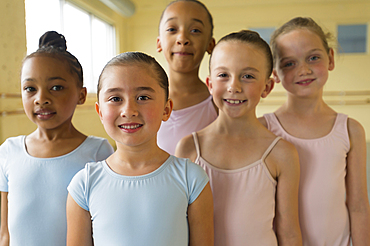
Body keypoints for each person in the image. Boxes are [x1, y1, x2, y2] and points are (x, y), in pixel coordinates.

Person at [66, 52, 214, 246]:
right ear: (100, 112)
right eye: (115, 98)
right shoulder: (84, 185)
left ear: (166, 109)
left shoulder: (191, 179)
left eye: (143, 97)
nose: (129, 110)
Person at [176, 30, 302, 246]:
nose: (234, 86)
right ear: (210, 84)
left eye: (248, 76)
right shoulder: (189, 148)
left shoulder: (282, 154)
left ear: (267, 86)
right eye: (223, 75)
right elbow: (180, 226)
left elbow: (288, 232)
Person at [260, 17, 370, 245]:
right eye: (289, 63)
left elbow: (358, 205)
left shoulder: (350, 130)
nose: (304, 69)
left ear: (330, 58)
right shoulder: (264, 129)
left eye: (313, 57)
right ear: (276, 73)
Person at [0, 31, 113, 246]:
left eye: (56, 88)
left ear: (81, 95)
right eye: (30, 89)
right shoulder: (8, 152)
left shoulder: (98, 152)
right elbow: (5, 234)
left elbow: (106, 228)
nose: (41, 99)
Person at [156, 0, 217, 155]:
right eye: (172, 29)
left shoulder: (218, 103)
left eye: (195, 30)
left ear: (210, 45)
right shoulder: (143, 100)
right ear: (159, 43)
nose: (182, 38)